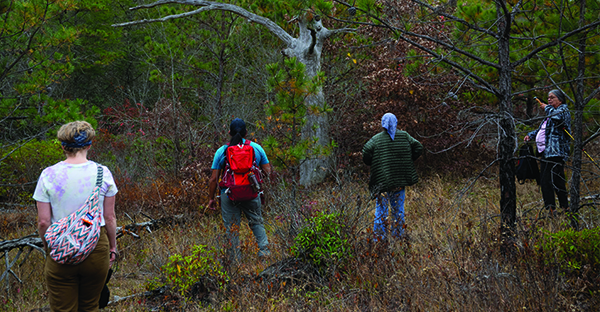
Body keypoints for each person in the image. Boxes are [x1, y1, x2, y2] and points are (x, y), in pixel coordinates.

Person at [33, 121, 118, 311]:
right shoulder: (102, 173)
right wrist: (112, 247)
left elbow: (44, 222)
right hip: (96, 247)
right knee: (90, 306)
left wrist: (50, 248)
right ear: (89, 145)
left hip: (61, 249)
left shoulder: (48, 175)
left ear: (63, 146)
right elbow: (110, 218)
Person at [208, 118, 271, 260]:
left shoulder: (222, 151)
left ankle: (235, 259)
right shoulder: (256, 148)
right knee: (256, 222)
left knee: (232, 227)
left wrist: (211, 198)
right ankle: (265, 252)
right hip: (251, 192)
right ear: (246, 132)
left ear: (229, 132)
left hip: (229, 194)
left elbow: (213, 178)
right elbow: (267, 171)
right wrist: (255, 183)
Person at [362, 113, 423, 241]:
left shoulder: (376, 139)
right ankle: (398, 237)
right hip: (398, 183)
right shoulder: (404, 136)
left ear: (382, 124)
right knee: (398, 211)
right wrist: (409, 159)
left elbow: (366, 151)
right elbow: (418, 146)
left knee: (381, 212)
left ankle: (379, 239)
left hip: (382, 183)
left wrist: (370, 162)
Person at [524, 89, 571, 212]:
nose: (549, 99)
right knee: (557, 180)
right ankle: (564, 207)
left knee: (546, 181)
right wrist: (531, 135)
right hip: (547, 152)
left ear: (560, 100)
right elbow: (544, 130)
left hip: (555, 152)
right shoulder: (551, 113)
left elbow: (558, 119)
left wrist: (547, 108)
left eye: (552, 97)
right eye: (548, 97)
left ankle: (551, 209)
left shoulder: (562, 110)